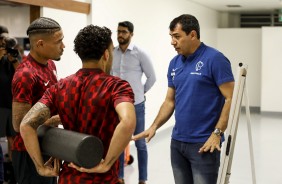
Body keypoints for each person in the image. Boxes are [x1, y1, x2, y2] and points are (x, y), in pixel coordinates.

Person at [19, 24, 136, 184]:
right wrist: (107, 163)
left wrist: (40, 167)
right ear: (106, 55)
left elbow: (26, 124)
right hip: (102, 179)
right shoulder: (116, 86)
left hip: (68, 178)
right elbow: (128, 121)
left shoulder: (60, 87)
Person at [133, 14, 235, 184]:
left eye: (177, 36)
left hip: (204, 144)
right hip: (178, 143)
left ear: (193, 35)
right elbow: (169, 101)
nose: (172, 42)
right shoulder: (174, 63)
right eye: (171, 37)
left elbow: (231, 98)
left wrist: (217, 133)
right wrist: (154, 126)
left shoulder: (215, 59)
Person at [11, 17, 65, 184]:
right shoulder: (25, 74)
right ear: (40, 44)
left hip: (48, 144)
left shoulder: (50, 65)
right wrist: (58, 118)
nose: (63, 46)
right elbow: (19, 123)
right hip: (28, 152)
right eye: (59, 42)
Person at [111, 21, 156, 184]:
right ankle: (120, 177)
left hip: (136, 104)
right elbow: (109, 74)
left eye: (124, 32)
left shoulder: (139, 53)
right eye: (118, 31)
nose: (120, 35)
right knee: (119, 141)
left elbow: (152, 77)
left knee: (140, 143)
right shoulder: (112, 53)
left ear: (131, 34)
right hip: (116, 105)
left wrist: (140, 93)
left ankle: (142, 179)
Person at [0, 25, 19, 184]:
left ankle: (13, 175)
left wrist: (13, 60)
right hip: (0, 105)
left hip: (11, 104)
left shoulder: (12, 55)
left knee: (13, 140)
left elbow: (21, 74)